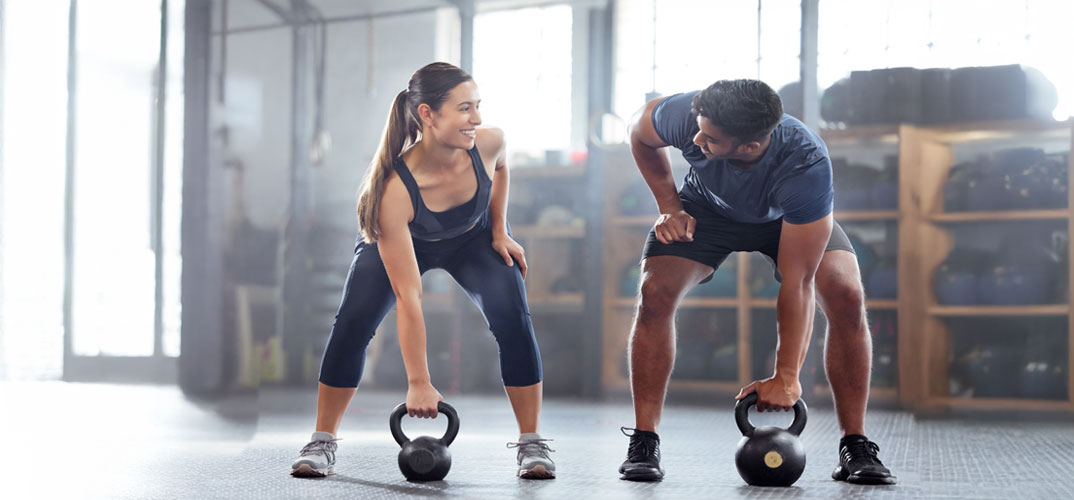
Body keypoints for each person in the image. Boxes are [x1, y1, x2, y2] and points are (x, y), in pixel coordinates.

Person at [619, 79, 895, 485]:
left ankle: (855, 444)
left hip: (786, 220)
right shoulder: (688, 116)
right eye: (698, 128)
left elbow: (797, 282)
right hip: (705, 211)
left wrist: (786, 376)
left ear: (749, 146)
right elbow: (639, 134)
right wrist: (669, 206)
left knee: (846, 294)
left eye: (709, 138)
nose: (695, 140)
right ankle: (644, 440)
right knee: (653, 292)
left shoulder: (805, 165)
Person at [290, 62, 555, 480]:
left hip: (471, 239)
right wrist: (419, 381)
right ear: (428, 115)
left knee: (513, 317)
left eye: (478, 106)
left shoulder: (489, 142)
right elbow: (409, 296)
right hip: (403, 240)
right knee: (353, 323)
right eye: (465, 108)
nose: (478, 119)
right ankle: (322, 439)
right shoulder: (394, 190)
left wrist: (500, 230)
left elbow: (501, 169)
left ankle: (531, 443)